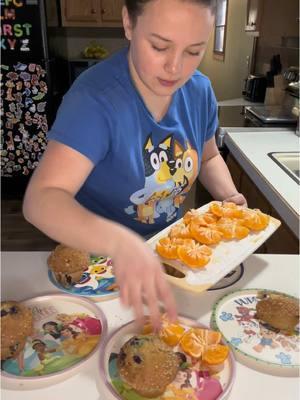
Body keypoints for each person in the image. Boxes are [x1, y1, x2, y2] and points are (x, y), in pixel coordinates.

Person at [23, 0, 246, 329]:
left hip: (170, 256)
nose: (175, 67)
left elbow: (209, 155)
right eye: (159, 46)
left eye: (193, 51)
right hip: (98, 263)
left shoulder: (199, 92)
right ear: (128, 23)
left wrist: (229, 197)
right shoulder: (95, 99)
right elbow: (41, 200)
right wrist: (121, 243)